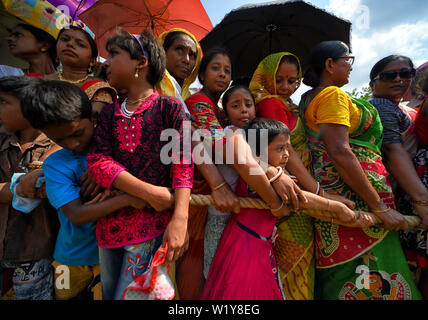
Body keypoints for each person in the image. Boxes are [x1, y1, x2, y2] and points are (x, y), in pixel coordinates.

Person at [299, 40, 421, 300]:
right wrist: (379, 206)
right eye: (348, 60)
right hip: (359, 202)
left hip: (346, 198)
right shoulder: (332, 95)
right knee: (372, 279)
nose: (351, 67)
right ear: (330, 65)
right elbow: (340, 151)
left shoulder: (309, 98)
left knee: (349, 280)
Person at [86, 29, 193, 300]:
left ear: (141, 63)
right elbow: (98, 161)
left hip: (152, 227)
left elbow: (183, 162)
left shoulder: (169, 108)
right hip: (108, 228)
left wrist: (180, 217)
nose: (106, 62)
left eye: (113, 54)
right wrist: (149, 192)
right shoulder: (110, 113)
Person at [19, 79, 148, 300]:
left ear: (93, 118)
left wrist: (106, 172)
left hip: (110, 254)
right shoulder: (55, 164)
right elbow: (76, 215)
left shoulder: (118, 148)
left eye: (78, 133)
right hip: (68, 259)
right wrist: (127, 198)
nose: (73, 144)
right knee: (65, 296)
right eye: (59, 139)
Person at [201, 118, 356, 300]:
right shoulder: (259, 177)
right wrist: (337, 208)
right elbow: (300, 200)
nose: (286, 155)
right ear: (257, 151)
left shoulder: (276, 174)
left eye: (287, 148)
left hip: (257, 244)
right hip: (244, 247)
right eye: (279, 148)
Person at [249, 52, 354, 300]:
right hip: (293, 189)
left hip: (299, 187)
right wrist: (318, 190)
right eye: (280, 79)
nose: (286, 87)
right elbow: (289, 152)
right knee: (292, 267)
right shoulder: (269, 105)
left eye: (293, 81)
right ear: (266, 78)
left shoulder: (285, 105)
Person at [368, 56, 428, 299]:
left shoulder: (400, 108)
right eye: (389, 75)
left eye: (406, 73)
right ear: (373, 84)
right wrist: (422, 201)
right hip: (402, 195)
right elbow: (393, 151)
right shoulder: (382, 106)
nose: (400, 79)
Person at [0, 76, 60, 300]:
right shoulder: (2, 139)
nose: (0, 108)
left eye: (5, 102)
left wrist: (18, 187)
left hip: (34, 249)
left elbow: (38, 190)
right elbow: (27, 188)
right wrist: (19, 185)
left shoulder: (57, 144)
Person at [45, 23, 116, 122]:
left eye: (80, 44)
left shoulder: (98, 90)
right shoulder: (42, 80)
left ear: (92, 60)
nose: (70, 44)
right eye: (65, 39)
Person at [156, 28, 202, 113]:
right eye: (179, 50)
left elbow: (185, 125)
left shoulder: (189, 100)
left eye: (192, 55)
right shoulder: (148, 89)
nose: (187, 60)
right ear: (163, 52)